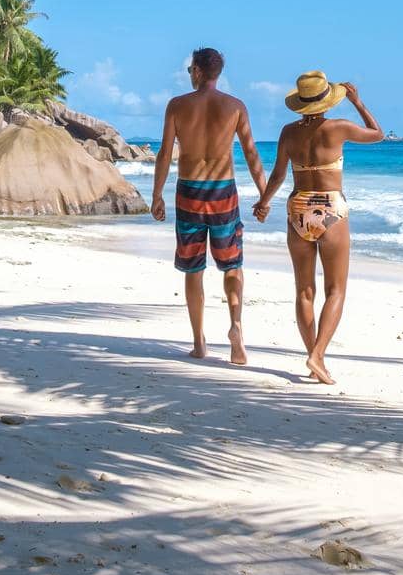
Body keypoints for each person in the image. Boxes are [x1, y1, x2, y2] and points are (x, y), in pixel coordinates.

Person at [254, 72, 383, 385]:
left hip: (297, 207)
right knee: (336, 290)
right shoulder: (338, 128)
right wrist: (358, 102)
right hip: (330, 208)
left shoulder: (287, 132)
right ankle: (318, 355)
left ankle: (314, 355)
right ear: (328, 100)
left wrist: (263, 203)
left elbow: (277, 175)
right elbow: (377, 133)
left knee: (304, 290)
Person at [151, 47, 265, 364]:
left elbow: (163, 153)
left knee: (193, 269)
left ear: (199, 71)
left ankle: (199, 342)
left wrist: (156, 194)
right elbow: (252, 154)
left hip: (189, 191)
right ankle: (236, 328)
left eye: (190, 69)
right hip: (223, 193)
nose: (189, 74)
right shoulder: (236, 106)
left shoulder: (177, 106)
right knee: (232, 265)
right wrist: (264, 196)